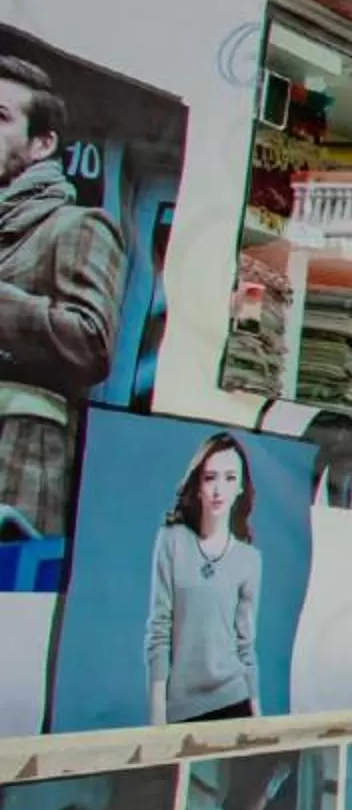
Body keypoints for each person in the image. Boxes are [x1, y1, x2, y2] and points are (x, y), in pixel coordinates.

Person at [0, 55, 127, 542]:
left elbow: (92, 343)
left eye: (1, 117)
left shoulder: (77, 226)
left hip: (19, 460)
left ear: (42, 144)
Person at [146, 434, 263, 724]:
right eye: (210, 478)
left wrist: (258, 716)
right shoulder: (171, 541)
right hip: (182, 707)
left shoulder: (250, 560)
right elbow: (159, 629)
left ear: (240, 488)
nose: (218, 489)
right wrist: (158, 717)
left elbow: (245, 644)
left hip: (234, 698)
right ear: (198, 486)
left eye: (229, 478)